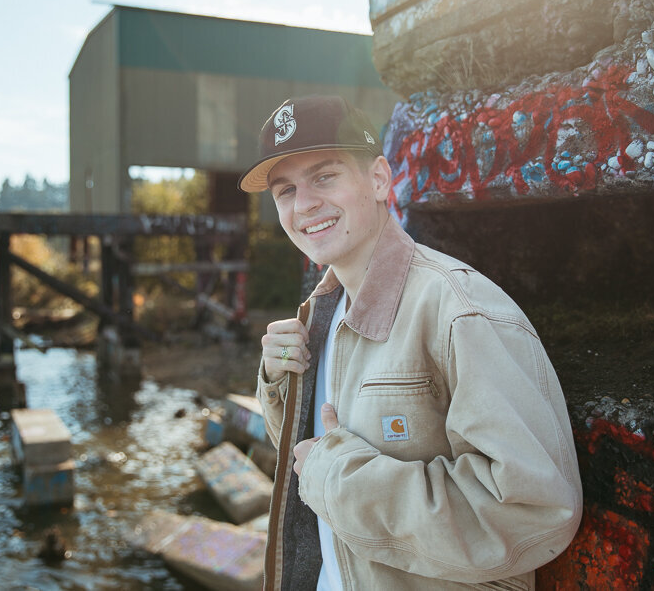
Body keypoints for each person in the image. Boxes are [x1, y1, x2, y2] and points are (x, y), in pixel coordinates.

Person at [238, 95, 582, 590]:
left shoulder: (459, 311)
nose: (304, 204)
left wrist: (338, 480)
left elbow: (532, 511)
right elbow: (311, 454)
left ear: (378, 179)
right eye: (286, 190)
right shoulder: (322, 313)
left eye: (325, 176)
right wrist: (278, 385)